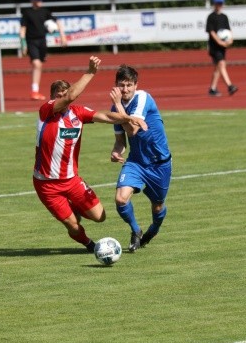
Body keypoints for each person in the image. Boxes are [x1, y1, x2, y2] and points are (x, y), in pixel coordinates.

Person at [33, 56, 148, 253]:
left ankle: (74, 206)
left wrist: (129, 117)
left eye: (65, 93)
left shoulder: (77, 113)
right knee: (73, 225)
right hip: (47, 184)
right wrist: (90, 72)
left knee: (99, 216)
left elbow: (104, 116)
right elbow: (69, 97)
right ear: (52, 98)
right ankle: (90, 245)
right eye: (58, 95)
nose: (63, 97)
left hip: (71, 180)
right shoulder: (46, 112)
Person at [109, 64, 172, 252]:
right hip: (136, 161)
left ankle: (154, 229)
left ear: (136, 85)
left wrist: (119, 107)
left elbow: (133, 130)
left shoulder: (143, 98)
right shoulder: (115, 107)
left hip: (159, 163)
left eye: (129, 85)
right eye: (121, 85)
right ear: (116, 85)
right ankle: (136, 230)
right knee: (121, 199)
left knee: (158, 206)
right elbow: (121, 139)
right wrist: (116, 151)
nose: (125, 89)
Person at [20, 0, 68, 101]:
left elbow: (57, 22)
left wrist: (62, 36)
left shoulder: (45, 11)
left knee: (40, 65)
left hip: (42, 41)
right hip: (31, 41)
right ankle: (34, 91)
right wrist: (23, 44)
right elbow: (23, 28)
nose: (40, 1)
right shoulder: (27, 12)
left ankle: (35, 90)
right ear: (32, 0)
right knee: (36, 64)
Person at [205, 0, 239, 97]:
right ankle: (230, 86)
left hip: (222, 46)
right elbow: (211, 32)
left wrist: (231, 39)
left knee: (218, 68)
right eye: (217, 3)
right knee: (221, 64)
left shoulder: (224, 17)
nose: (219, 5)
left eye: (221, 3)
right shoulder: (211, 17)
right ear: (214, 4)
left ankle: (212, 89)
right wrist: (219, 41)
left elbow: (228, 30)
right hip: (214, 46)